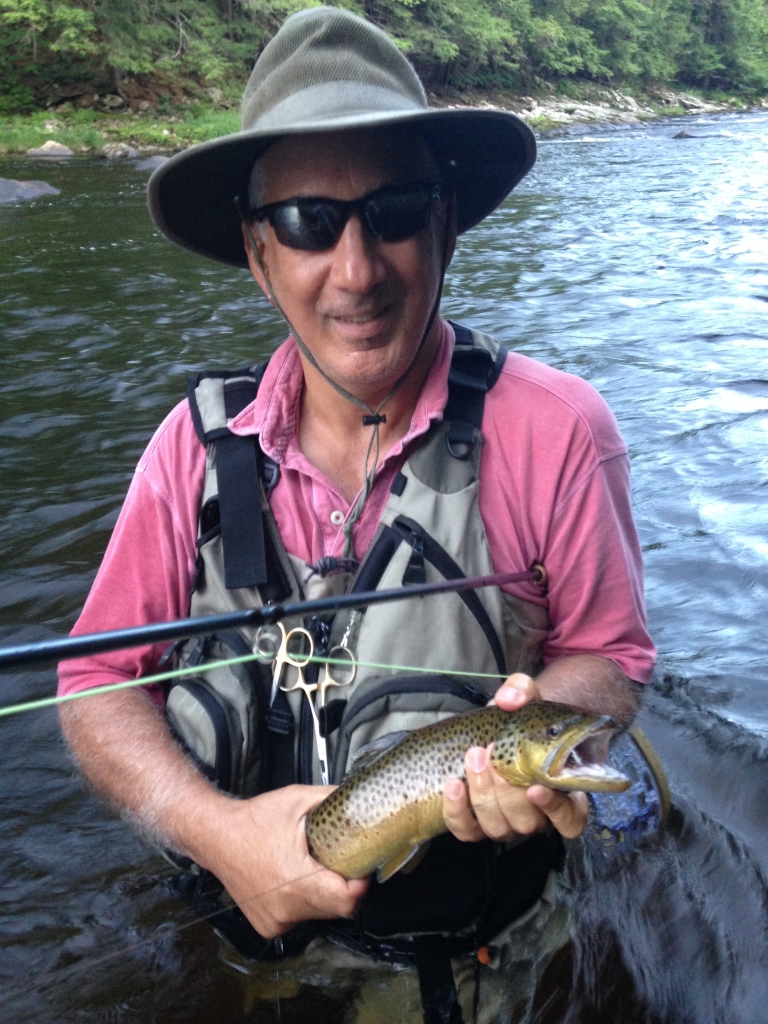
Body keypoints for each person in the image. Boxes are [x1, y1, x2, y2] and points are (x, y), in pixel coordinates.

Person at [57, 7, 655, 1023]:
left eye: (395, 209)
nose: (356, 269)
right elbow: (94, 682)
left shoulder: (558, 430)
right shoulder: (189, 451)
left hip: (483, 962)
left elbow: (612, 655)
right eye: (306, 223)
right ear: (257, 254)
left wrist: (542, 717)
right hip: (241, 950)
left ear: (447, 223)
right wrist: (215, 832)